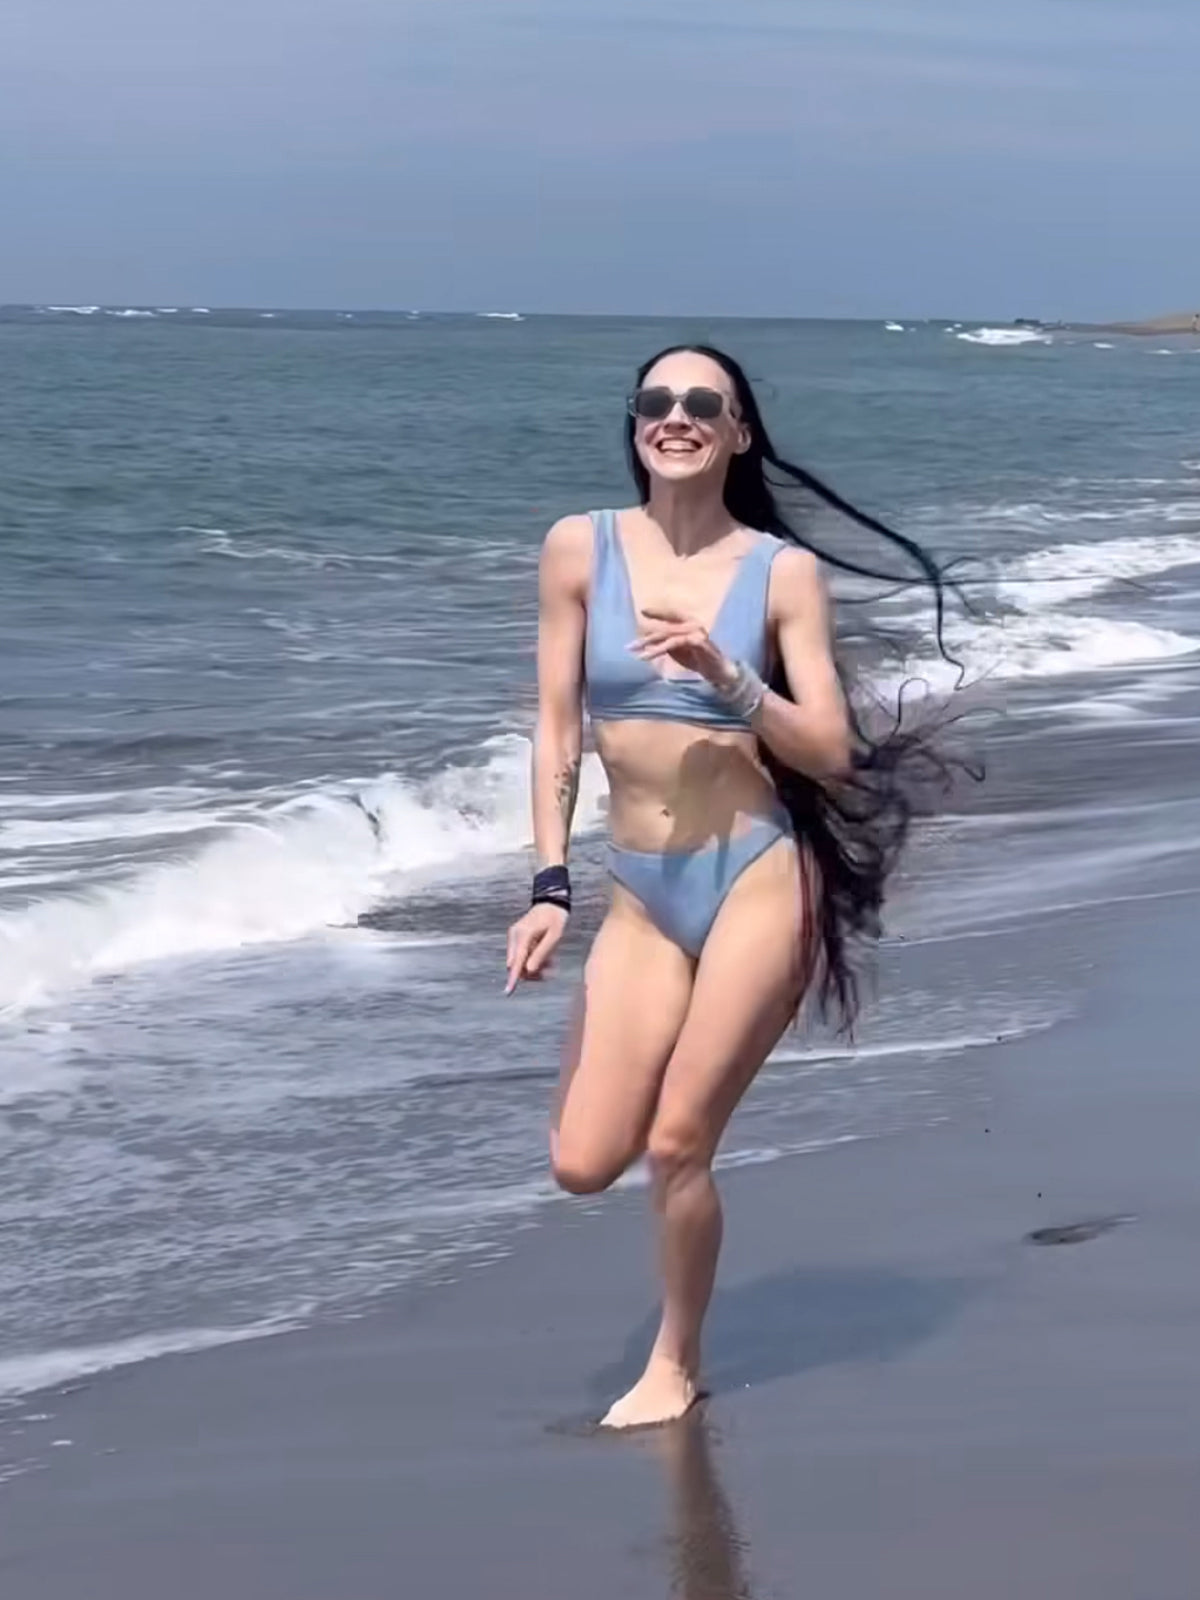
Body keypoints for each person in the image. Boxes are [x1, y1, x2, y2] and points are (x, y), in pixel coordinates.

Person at [505, 344, 953, 1428]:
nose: (677, 415)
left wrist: (728, 675)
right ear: (636, 424)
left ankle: (676, 1361)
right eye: (656, 400)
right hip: (640, 891)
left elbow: (830, 753)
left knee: (677, 1142)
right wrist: (550, 884)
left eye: (704, 402)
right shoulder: (579, 548)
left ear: (739, 433)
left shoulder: (780, 574)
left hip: (755, 876)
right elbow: (558, 727)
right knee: (582, 1161)